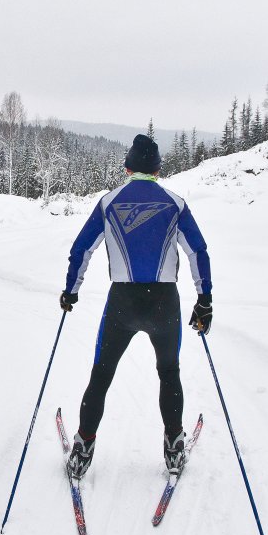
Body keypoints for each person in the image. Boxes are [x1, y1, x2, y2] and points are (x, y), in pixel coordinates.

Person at [60, 133, 213, 479]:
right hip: (164, 304)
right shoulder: (175, 203)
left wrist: (71, 290)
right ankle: (174, 447)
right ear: (157, 171)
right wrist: (205, 300)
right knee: (168, 372)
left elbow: (81, 249)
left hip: (122, 303)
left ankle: (83, 448)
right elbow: (197, 251)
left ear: (128, 167)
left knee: (101, 374)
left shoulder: (109, 202)